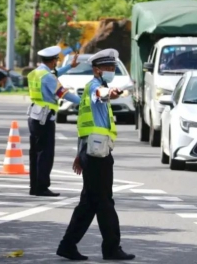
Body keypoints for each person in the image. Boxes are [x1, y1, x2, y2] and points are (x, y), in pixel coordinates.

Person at [56, 48, 135, 261]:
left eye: (112, 68)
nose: (110, 71)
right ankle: (111, 248)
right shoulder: (95, 87)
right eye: (107, 68)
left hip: (92, 152)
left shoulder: (98, 86)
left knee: (89, 204)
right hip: (97, 156)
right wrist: (111, 93)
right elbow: (101, 95)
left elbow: (85, 125)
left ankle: (68, 245)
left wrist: (79, 154)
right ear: (96, 69)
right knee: (104, 202)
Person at [27, 46, 81, 197]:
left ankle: (35, 186)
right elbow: (63, 93)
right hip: (45, 118)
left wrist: (70, 66)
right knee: (46, 154)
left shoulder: (35, 73)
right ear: (53, 61)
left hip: (34, 115)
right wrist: (84, 101)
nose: (57, 62)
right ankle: (42, 187)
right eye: (57, 59)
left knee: (35, 153)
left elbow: (55, 74)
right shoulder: (48, 77)